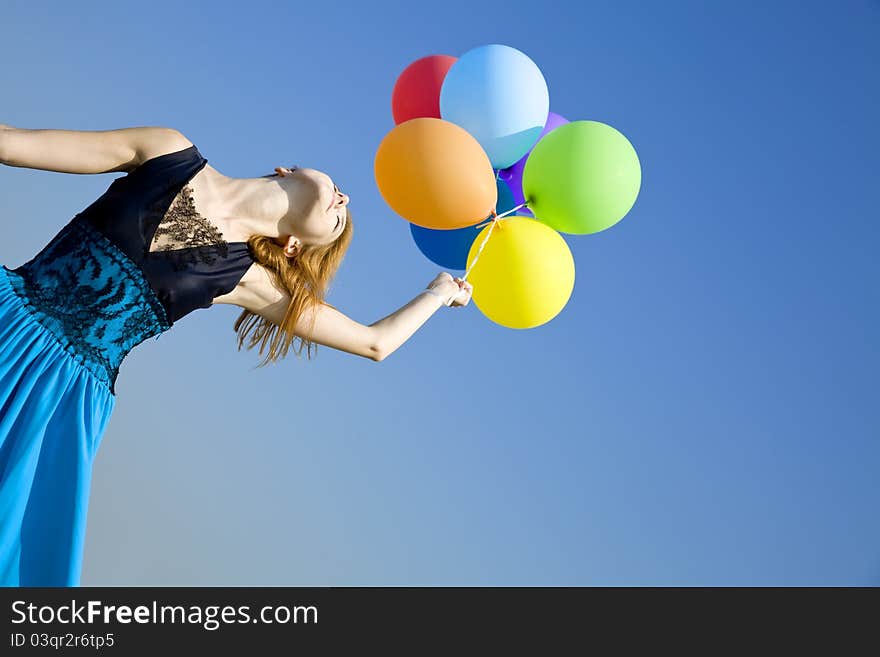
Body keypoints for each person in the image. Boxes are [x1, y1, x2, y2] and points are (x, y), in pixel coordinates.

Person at [0, 124, 473, 586]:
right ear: (287, 169)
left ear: (293, 246)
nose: (343, 202)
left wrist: (436, 293)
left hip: (57, 396)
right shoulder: (167, 151)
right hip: (10, 312)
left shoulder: (245, 278)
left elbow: (375, 343)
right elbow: (13, 146)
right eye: (341, 192)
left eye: (338, 223)